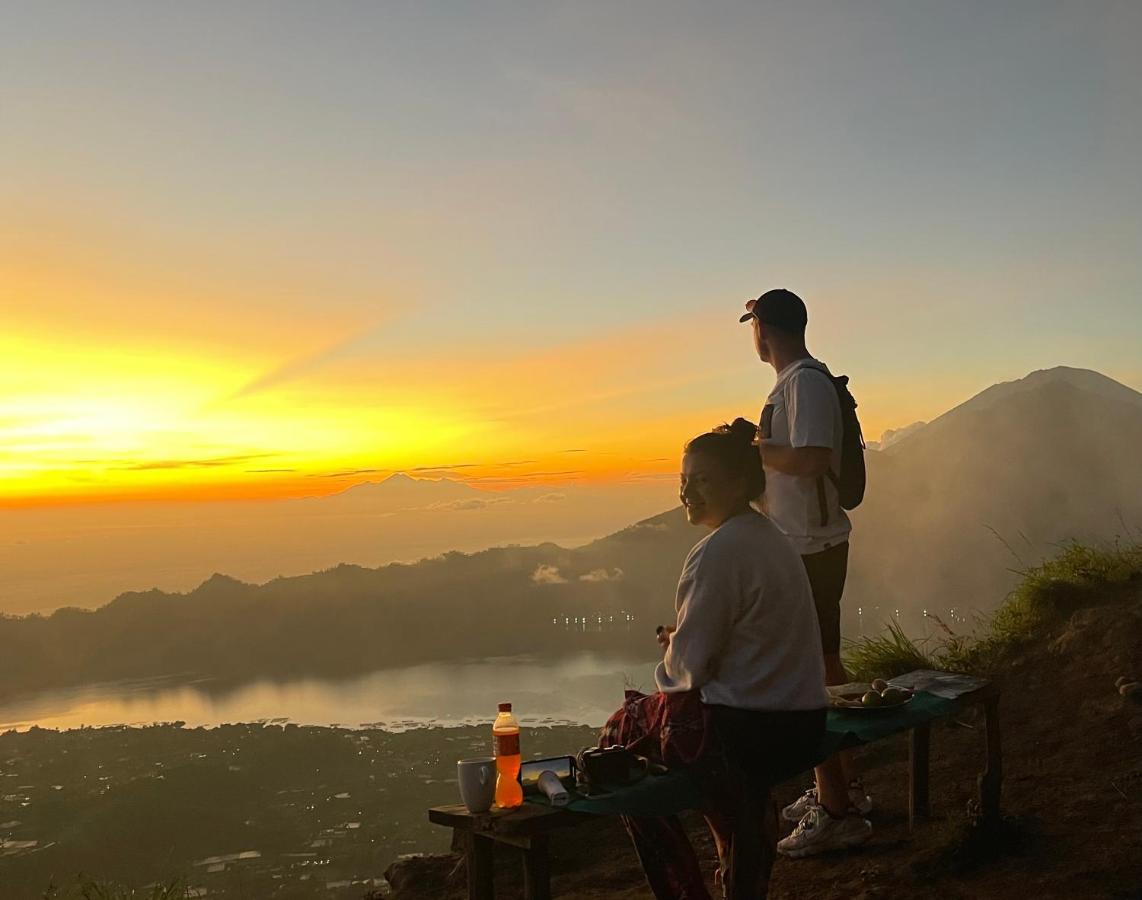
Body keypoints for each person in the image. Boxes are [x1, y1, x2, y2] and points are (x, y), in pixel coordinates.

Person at [614, 419, 829, 899]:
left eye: (702, 480)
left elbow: (687, 671)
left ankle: (685, 889)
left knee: (621, 734)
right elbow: (751, 641)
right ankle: (736, 865)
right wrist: (689, 642)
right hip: (801, 725)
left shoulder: (717, 551)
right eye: (684, 480)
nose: (687, 491)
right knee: (701, 760)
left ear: (738, 483)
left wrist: (676, 649)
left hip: (747, 732)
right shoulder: (772, 539)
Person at [739, 288, 873, 857]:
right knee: (824, 666)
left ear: (762, 328)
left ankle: (836, 808)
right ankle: (840, 788)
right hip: (806, 544)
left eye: (752, 325)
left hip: (811, 547)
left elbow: (814, 457)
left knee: (808, 676)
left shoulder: (804, 383)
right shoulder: (796, 384)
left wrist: (755, 450)